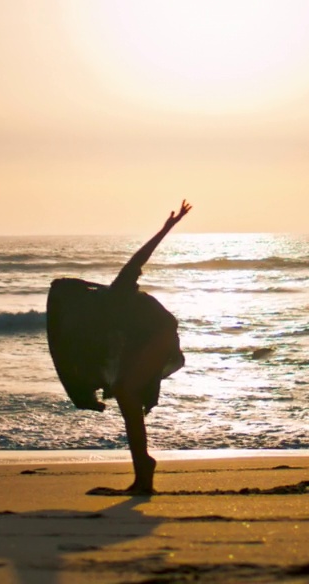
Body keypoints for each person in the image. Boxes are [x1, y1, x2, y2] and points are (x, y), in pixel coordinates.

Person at [45, 201, 192, 494]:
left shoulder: (117, 292)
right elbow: (70, 354)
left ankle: (143, 472)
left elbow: (140, 257)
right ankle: (143, 468)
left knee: (126, 390)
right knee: (126, 396)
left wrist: (167, 227)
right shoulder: (95, 326)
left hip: (161, 334)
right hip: (144, 340)